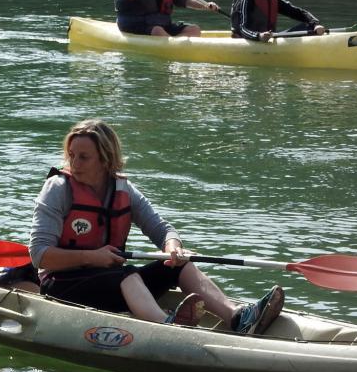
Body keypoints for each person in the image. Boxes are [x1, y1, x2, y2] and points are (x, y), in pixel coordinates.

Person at [29, 119, 284, 335]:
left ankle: (237, 318)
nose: (74, 163)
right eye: (71, 155)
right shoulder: (58, 189)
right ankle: (166, 327)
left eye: (84, 157)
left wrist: (173, 247)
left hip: (111, 283)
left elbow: (162, 229)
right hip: (62, 284)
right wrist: (92, 257)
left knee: (178, 263)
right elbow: (39, 255)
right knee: (127, 274)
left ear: (106, 160)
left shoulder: (123, 189)